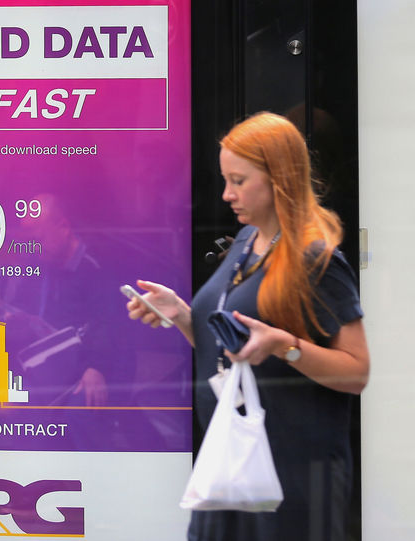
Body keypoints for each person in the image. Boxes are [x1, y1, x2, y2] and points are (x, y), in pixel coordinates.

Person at [125, 112, 369, 540]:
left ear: (280, 179)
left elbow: (356, 371)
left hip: (289, 474)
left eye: (239, 181)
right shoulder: (245, 242)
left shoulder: (316, 260)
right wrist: (182, 314)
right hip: (229, 467)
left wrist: (284, 345)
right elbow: (228, 348)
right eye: (225, 180)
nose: (226, 194)